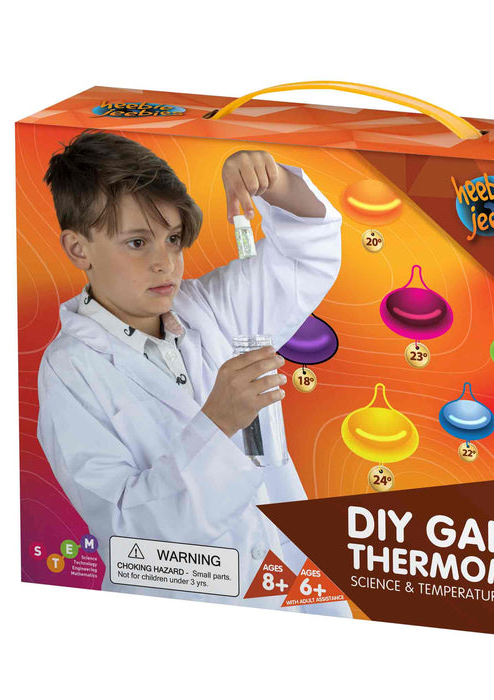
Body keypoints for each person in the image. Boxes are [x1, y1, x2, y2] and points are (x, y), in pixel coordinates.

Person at [37, 131, 349, 616]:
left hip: (295, 589)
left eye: (173, 239)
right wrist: (217, 422)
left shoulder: (210, 308)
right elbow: (129, 535)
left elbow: (307, 254)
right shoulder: (70, 371)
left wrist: (273, 182)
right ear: (79, 249)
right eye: (137, 242)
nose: (164, 262)